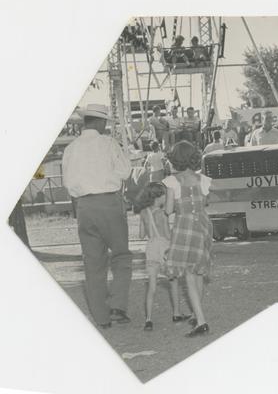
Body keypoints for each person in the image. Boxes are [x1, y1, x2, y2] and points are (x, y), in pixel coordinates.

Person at [61, 104, 133, 329]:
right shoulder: (108, 143)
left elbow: (68, 183)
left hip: (84, 206)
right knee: (121, 256)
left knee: (93, 263)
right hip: (109, 203)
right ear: (101, 122)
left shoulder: (71, 148)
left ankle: (101, 318)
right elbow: (125, 171)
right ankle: (117, 306)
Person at [162, 141, 214, 337]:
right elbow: (205, 202)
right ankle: (196, 313)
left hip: (184, 227)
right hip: (203, 226)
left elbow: (168, 210)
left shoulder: (171, 182)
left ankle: (201, 321)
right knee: (199, 271)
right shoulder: (204, 180)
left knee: (189, 276)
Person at [133, 182, 191, 332]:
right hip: (164, 248)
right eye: (165, 195)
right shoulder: (162, 214)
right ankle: (176, 313)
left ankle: (148, 319)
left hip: (151, 248)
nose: (166, 198)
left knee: (152, 286)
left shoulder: (144, 213)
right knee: (173, 281)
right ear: (158, 197)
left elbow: (140, 235)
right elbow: (167, 234)